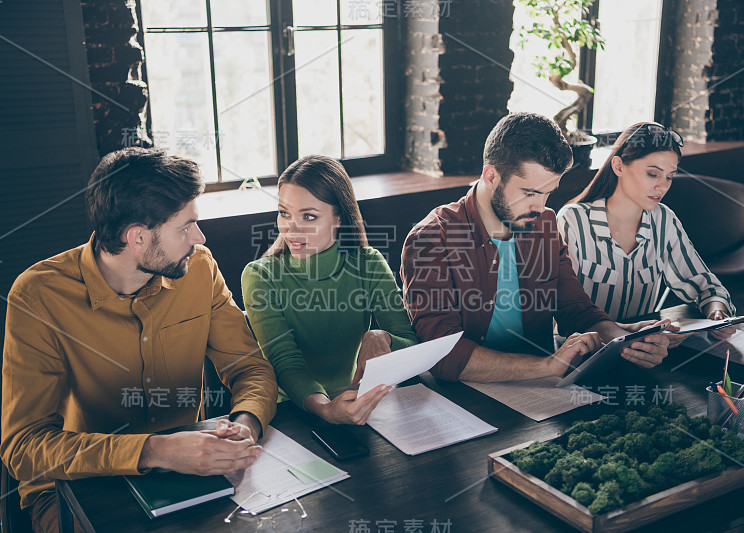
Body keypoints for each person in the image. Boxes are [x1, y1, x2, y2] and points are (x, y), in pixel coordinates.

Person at [1, 148, 278, 533]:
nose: (199, 237)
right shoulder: (38, 296)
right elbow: (25, 448)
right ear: (138, 238)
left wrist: (245, 422)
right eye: (185, 227)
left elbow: (250, 368)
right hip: (77, 489)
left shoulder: (200, 269)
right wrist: (153, 450)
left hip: (190, 474)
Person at [400, 112, 670, 383]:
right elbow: (443, 354)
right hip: (464, 400)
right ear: (491, 175)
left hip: (541, 392)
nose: (540, 207)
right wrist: (546, 366)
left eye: (548, 193)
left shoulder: (545, 224)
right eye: (529, 193)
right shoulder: (430, 238)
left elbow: (575, 309)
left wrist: (625, 339)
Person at [242, 155, 417, 425]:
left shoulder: (368, 263)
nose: (292, 229)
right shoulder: (260, 276)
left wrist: (384, 338)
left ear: (338, 218)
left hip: (355, 402)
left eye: (309, 217)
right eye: (284, 213)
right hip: (292, 412)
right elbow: (285, 363)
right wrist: (326, 408)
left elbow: (413, 346)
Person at [556, 122, 736, 343]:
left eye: (669, 177)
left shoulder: (663, 220)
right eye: (653, 174)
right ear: (619, 166)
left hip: (646, 352)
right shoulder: (573, 220)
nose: (662, 186)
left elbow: (705, 284)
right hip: (580, 354)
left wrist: (717, 312)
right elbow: (563, 311)